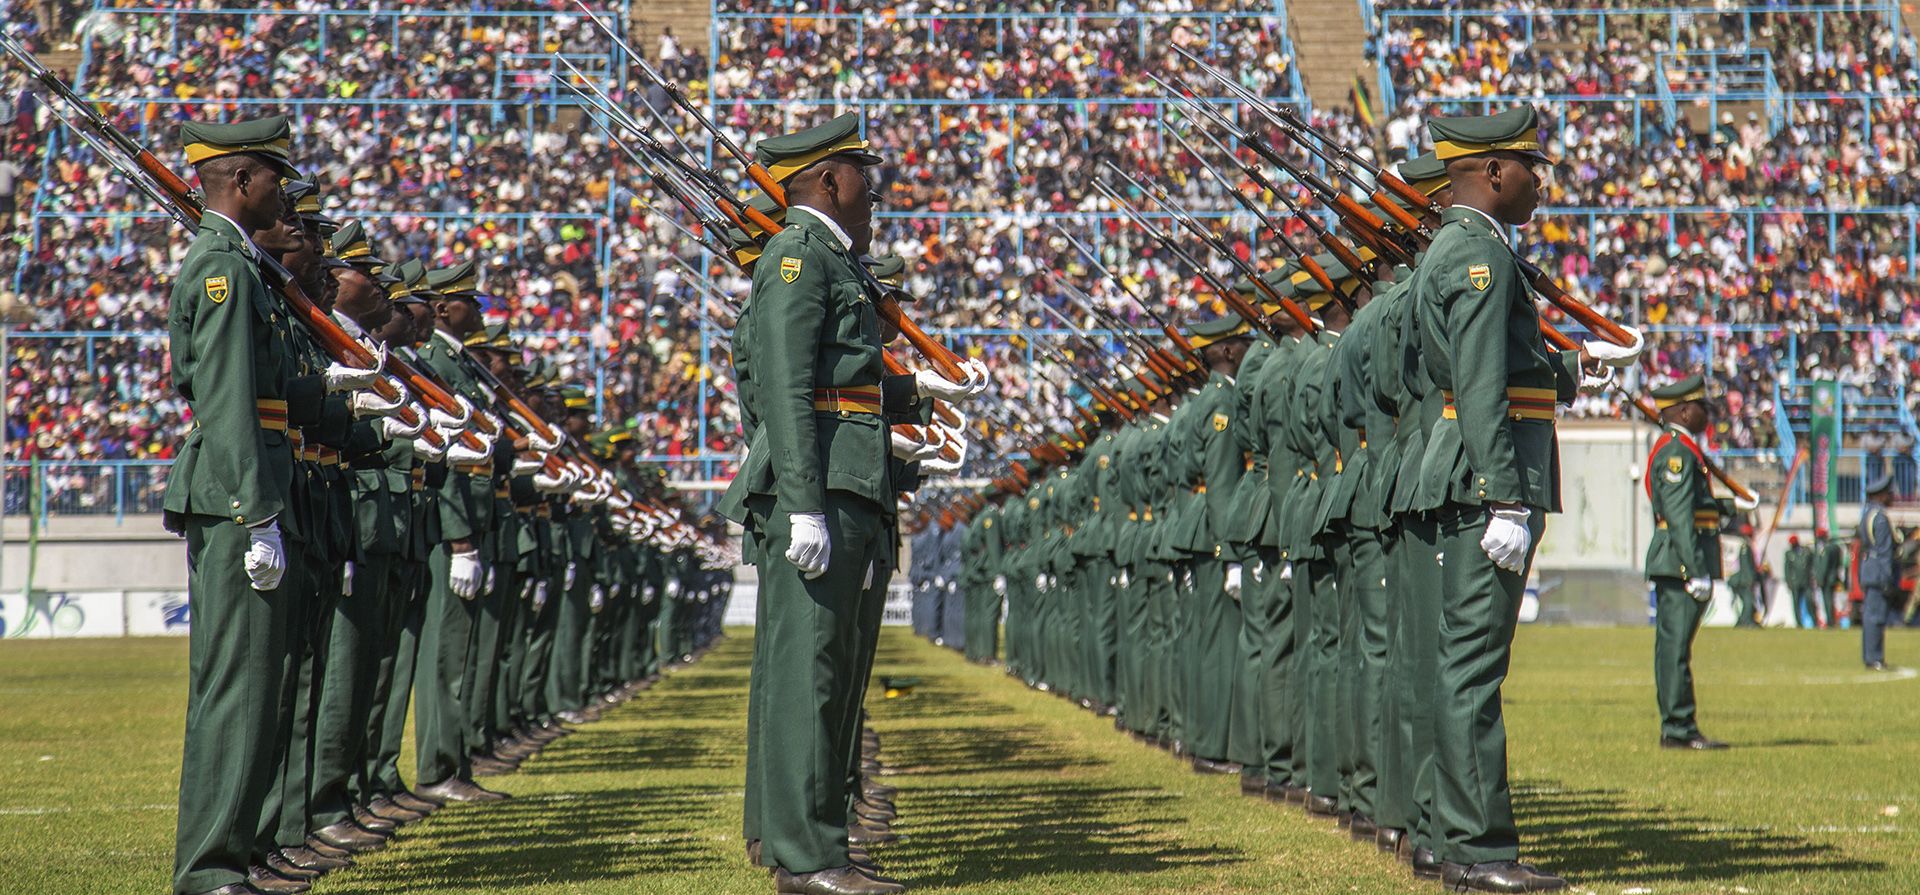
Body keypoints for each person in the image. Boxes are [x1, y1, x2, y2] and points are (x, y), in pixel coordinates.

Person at [722, 113, 985, 895]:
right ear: (831, 179)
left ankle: (810, 839)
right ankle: (809, 856)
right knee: (813, 671)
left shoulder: (828, 260)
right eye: (862, 173)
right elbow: (788, 388)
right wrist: (802, 503)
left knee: (827, 671)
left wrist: (916, 389)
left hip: (846, 483)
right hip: (825, 489)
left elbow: (847, 380)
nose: (874, 190)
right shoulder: (799, 259)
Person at [1407, 105, 1642, 893]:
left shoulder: (1463, 249)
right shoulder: (1478, 257)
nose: (1540, 181)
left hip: (1475, 475)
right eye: (1530, 167)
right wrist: (1505, 496)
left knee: (1459, 662)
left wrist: (1573, 371)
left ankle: (1447, 838)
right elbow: (1478, 384)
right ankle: (1478, 849)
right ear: (1494, 172)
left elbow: (1502, 363)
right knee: (1473, 665)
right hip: (1488, 483)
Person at [1641, 375, 1730, 751]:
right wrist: (1695, 570)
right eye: (1700, 407)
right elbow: (1679, 517)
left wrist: (1729, 506)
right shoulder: (1676, 453)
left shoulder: (1684, 449)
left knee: (1675, 647)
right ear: (1682, 410)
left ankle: (1678, 725)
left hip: (1679, 561)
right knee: (1675, 649)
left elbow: (1696, 508)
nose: (1706, 414)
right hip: (1679, 563)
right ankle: (1678, 727)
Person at [1856, 472, 1900, 670]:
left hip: (1869, 570)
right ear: (1881, 495)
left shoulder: (1867, 514)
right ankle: (1874, 658)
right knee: (1876, 617)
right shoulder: (1880, 518)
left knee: (1870, 616)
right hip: (1878, 573)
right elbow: (1884, 552)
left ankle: (1870, 656)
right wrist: (1887, 578)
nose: (1891, 497)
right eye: (1888, 494)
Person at [1726, 523, 1762, 627]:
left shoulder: (1744, 546)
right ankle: (1745, 621)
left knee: (1748, 600)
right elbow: (1746, 566)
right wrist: (1750, 579)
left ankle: (1744, 620)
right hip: (1745, 580)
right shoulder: (1746, 547)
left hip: (1742, 579)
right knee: (1748, 600)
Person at [1783, 534, 1815, 628]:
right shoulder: (1789, 554)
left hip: (1806, 581)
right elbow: (1787, 569)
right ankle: (1798, 622)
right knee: (1796, 603)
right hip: (1795, 582)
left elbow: (1812, 565)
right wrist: (1788, 581)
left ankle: (1814, 620)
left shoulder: (1806, 552)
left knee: (1809, 601)